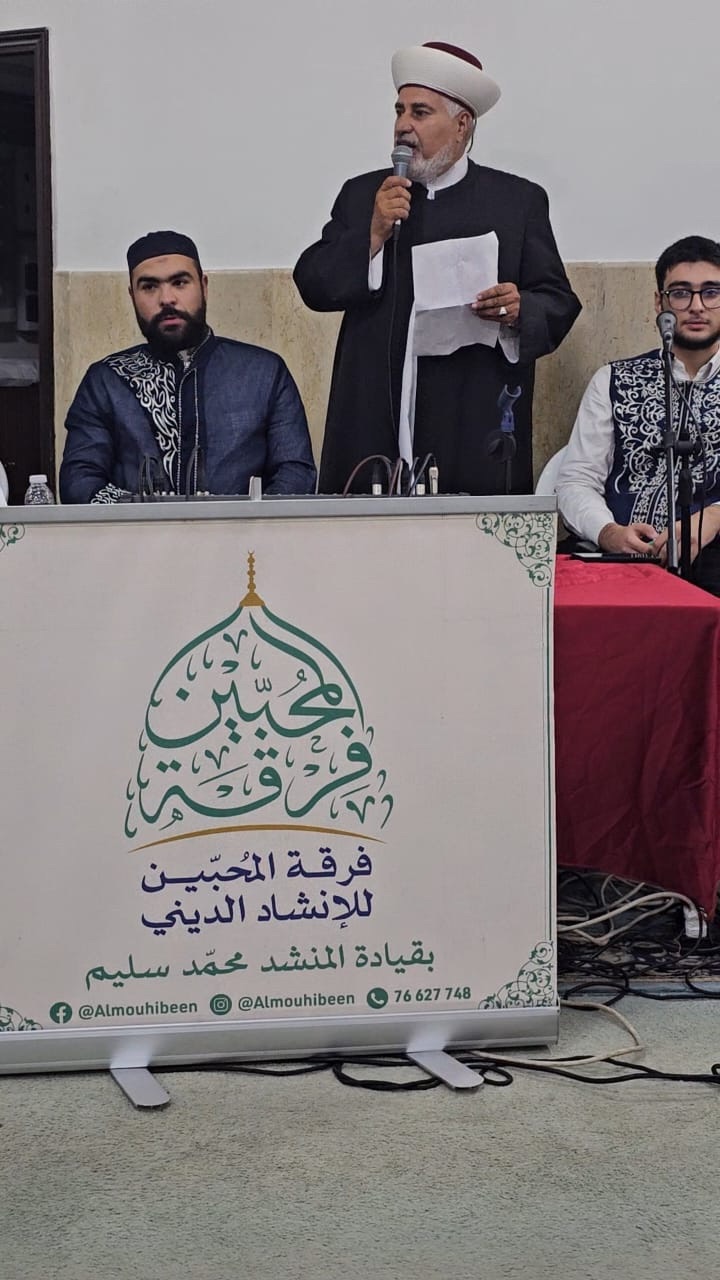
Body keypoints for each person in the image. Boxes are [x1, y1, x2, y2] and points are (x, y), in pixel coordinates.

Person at [293, 41, 580, 496]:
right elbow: (313, 282)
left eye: (420, 113)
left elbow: (558, 301)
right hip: (373, 416)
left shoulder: (517, 202)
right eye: (399, 111)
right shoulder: (362, 195)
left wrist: (518, 308)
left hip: (471, 415)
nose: (403, 126)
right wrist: (372, 233)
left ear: (462, 124)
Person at [60, 230, 316, 503]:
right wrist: (139, 512)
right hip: (137, 530)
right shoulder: (106, 380)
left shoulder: (263, 372)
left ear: (203, 287)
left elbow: (296, 473)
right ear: (132, 296)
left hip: (243, 531)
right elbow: (79, 480)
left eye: (180, 282)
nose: (166, 299)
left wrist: (246, 522)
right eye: (149, 287)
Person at [556, 234, 720, 594]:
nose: (697, 306)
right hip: (620, 561)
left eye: (711, 292)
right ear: (659, 303)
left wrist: (712, 518)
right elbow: (576, 481)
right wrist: (608, 533)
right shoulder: (612, 379)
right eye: (681, 293)